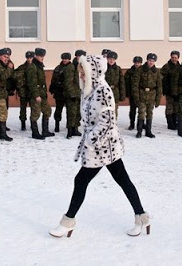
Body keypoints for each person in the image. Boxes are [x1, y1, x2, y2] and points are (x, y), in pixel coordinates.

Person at [49, 54, 150, 238]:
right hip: (101, 147)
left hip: (104, 147)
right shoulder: (89, 90)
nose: (80, 76)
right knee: (123, 181)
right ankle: (141, 216)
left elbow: (108, 122)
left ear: (93, 72)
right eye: (80, 72)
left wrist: (90, 141)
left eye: (83, 72)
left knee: (81, 181)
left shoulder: (103, 91)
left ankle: (68, 222)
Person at [131, 53, 162, 139]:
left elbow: (159, 86)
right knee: (141, 113)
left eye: (153, 61)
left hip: (152, 95)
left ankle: (148, 131)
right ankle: (139, 131)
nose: (151, 62)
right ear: (147, 60)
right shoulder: (140, 70)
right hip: (142, 94)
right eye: (149, 60)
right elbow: (135, 85)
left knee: (150, 114)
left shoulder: (157, 71)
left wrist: (158, 99)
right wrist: (136, 97)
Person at [26, 48, 54, 139]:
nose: (42, 58)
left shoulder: (40, 66)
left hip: (42, 94)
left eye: (43, 56)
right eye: (40, 56)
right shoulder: (33, 66)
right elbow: (32, 83)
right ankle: (35, 132)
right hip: (36, 94)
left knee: (47, 111)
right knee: (35, 114)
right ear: (36, 56)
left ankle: (45, 131)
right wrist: (36, 95)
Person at [50, 53, 72, 133]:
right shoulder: (58, 68)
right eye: (63, 59)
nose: (64, 60)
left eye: (66, 59)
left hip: (69, 92)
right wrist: (52, 88)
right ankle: (57, 125)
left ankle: (69, 125)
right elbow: (53, 79)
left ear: (69, 59)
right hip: (59, 92)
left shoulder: (72, 68)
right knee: (58, 109)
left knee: (69, 110)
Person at [160, 50, 181, 131]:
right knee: (169, 107)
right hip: (169, 90)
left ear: (178, 58)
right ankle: (170, 123)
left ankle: (175, 121)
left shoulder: (180, 67)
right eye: (172, 57)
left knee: (176, 107)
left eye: (175, 57)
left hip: (178, 91)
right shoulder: (166, 67)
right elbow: (161, 78)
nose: (174, 59)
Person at [14, 51, 34, 131]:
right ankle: (23, 123)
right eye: (28, 58)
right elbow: (15, 76)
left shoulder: (35, 67)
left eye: (31, 58)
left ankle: (33, 123)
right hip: (23, 91)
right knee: (23, 108)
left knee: (34, 108)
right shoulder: (22, 67)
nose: (29, 59)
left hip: (32, 91)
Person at [105, 51, 126, 119]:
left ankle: (113, 125)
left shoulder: (118, 69)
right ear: (107, 59)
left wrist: (122, 94)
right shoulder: (104, 68)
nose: (111, 61)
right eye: (110, 59)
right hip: (105, 92)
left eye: (113, 59)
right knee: (105, 110)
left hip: (115, 92)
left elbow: (121, 82)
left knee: (114, 110)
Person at [124, 56, 142, 130]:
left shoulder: (144, 71)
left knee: (142, 110)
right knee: (132, 110)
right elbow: (126, 83)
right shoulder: (130, 71)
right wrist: (128, 93)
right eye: (135, 63)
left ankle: (141, 123)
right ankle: (132, 124)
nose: (137, 64)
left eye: (138, 63)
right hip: (132, 94)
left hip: (142, 94)